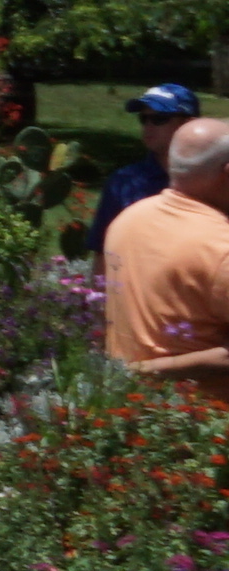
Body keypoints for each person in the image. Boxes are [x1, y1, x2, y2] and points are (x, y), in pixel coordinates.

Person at [105, 115, 229, 406]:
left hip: (125, 410)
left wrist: (129, 374)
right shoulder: (221, 248)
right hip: (202, 421)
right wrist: (147, 371)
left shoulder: (128, 219)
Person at [96, 84, 202, 258]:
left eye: (159, 119)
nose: (148, 126)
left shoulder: (214, 179)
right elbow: (103, 251)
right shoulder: (124, 182)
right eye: (143, 119)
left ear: (188, 124)